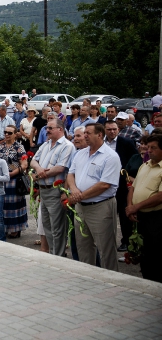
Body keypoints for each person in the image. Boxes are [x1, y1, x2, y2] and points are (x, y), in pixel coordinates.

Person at [66, 123, 121, 271]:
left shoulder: (110, 157)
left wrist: (79, 196)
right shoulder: (81, 153)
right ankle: (88, 279)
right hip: (81, 207)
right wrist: (73, 189)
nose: (85, 136)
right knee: (83, 247)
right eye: (84, 133)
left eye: (88, 133)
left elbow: (105, 185)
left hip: (101, 207)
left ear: (100, 135)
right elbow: (71, 174)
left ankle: (112, 281)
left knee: (106, 249)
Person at [30, 117, 75, 256]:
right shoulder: (46, 144)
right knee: (47, 226)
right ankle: (53, 254)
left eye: (50, 128)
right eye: (46, 128)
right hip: (44, 191)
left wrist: (39, 175)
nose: (46, 130)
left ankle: (59, 255)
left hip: (56, 190)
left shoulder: (67, 146)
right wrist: (39, 170)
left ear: (60, 129)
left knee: (57, 227)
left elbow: (60, 168)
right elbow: (33, 161)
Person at [125, 133, 162, 282]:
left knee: (156, 252)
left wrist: (136, 207)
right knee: (143, 251)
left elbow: (160, 196)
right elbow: (133, 188)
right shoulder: (144, 165)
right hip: (139, 216)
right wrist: (130, 206)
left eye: (153, 148)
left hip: (156, 218)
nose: (149, 151)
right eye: (148, 147)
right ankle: (147, 280)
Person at [102, 120, 138, 254]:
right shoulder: (102, 143)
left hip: (121, 183)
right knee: (107, 214)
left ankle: (126, 241)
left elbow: (134, 159)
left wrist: (128, 177)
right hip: (104, 183)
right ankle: (107, 240)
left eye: (114, 129)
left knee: (124, 215)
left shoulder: (126, 142)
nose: (112, 132)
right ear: (104, 130)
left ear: (118, 130)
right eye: (109, 129)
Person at [0, 125, 28, 238]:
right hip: (1, 179)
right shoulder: (0, 146)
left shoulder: (19, 147)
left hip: (13, 179)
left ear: (15, 134)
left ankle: (15, 228)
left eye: (9, 133)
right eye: (5, 132)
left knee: (14, 206)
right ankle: (4, 227)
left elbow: (24, 165)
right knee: (2, 205)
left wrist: (11, 174)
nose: (6, 134)